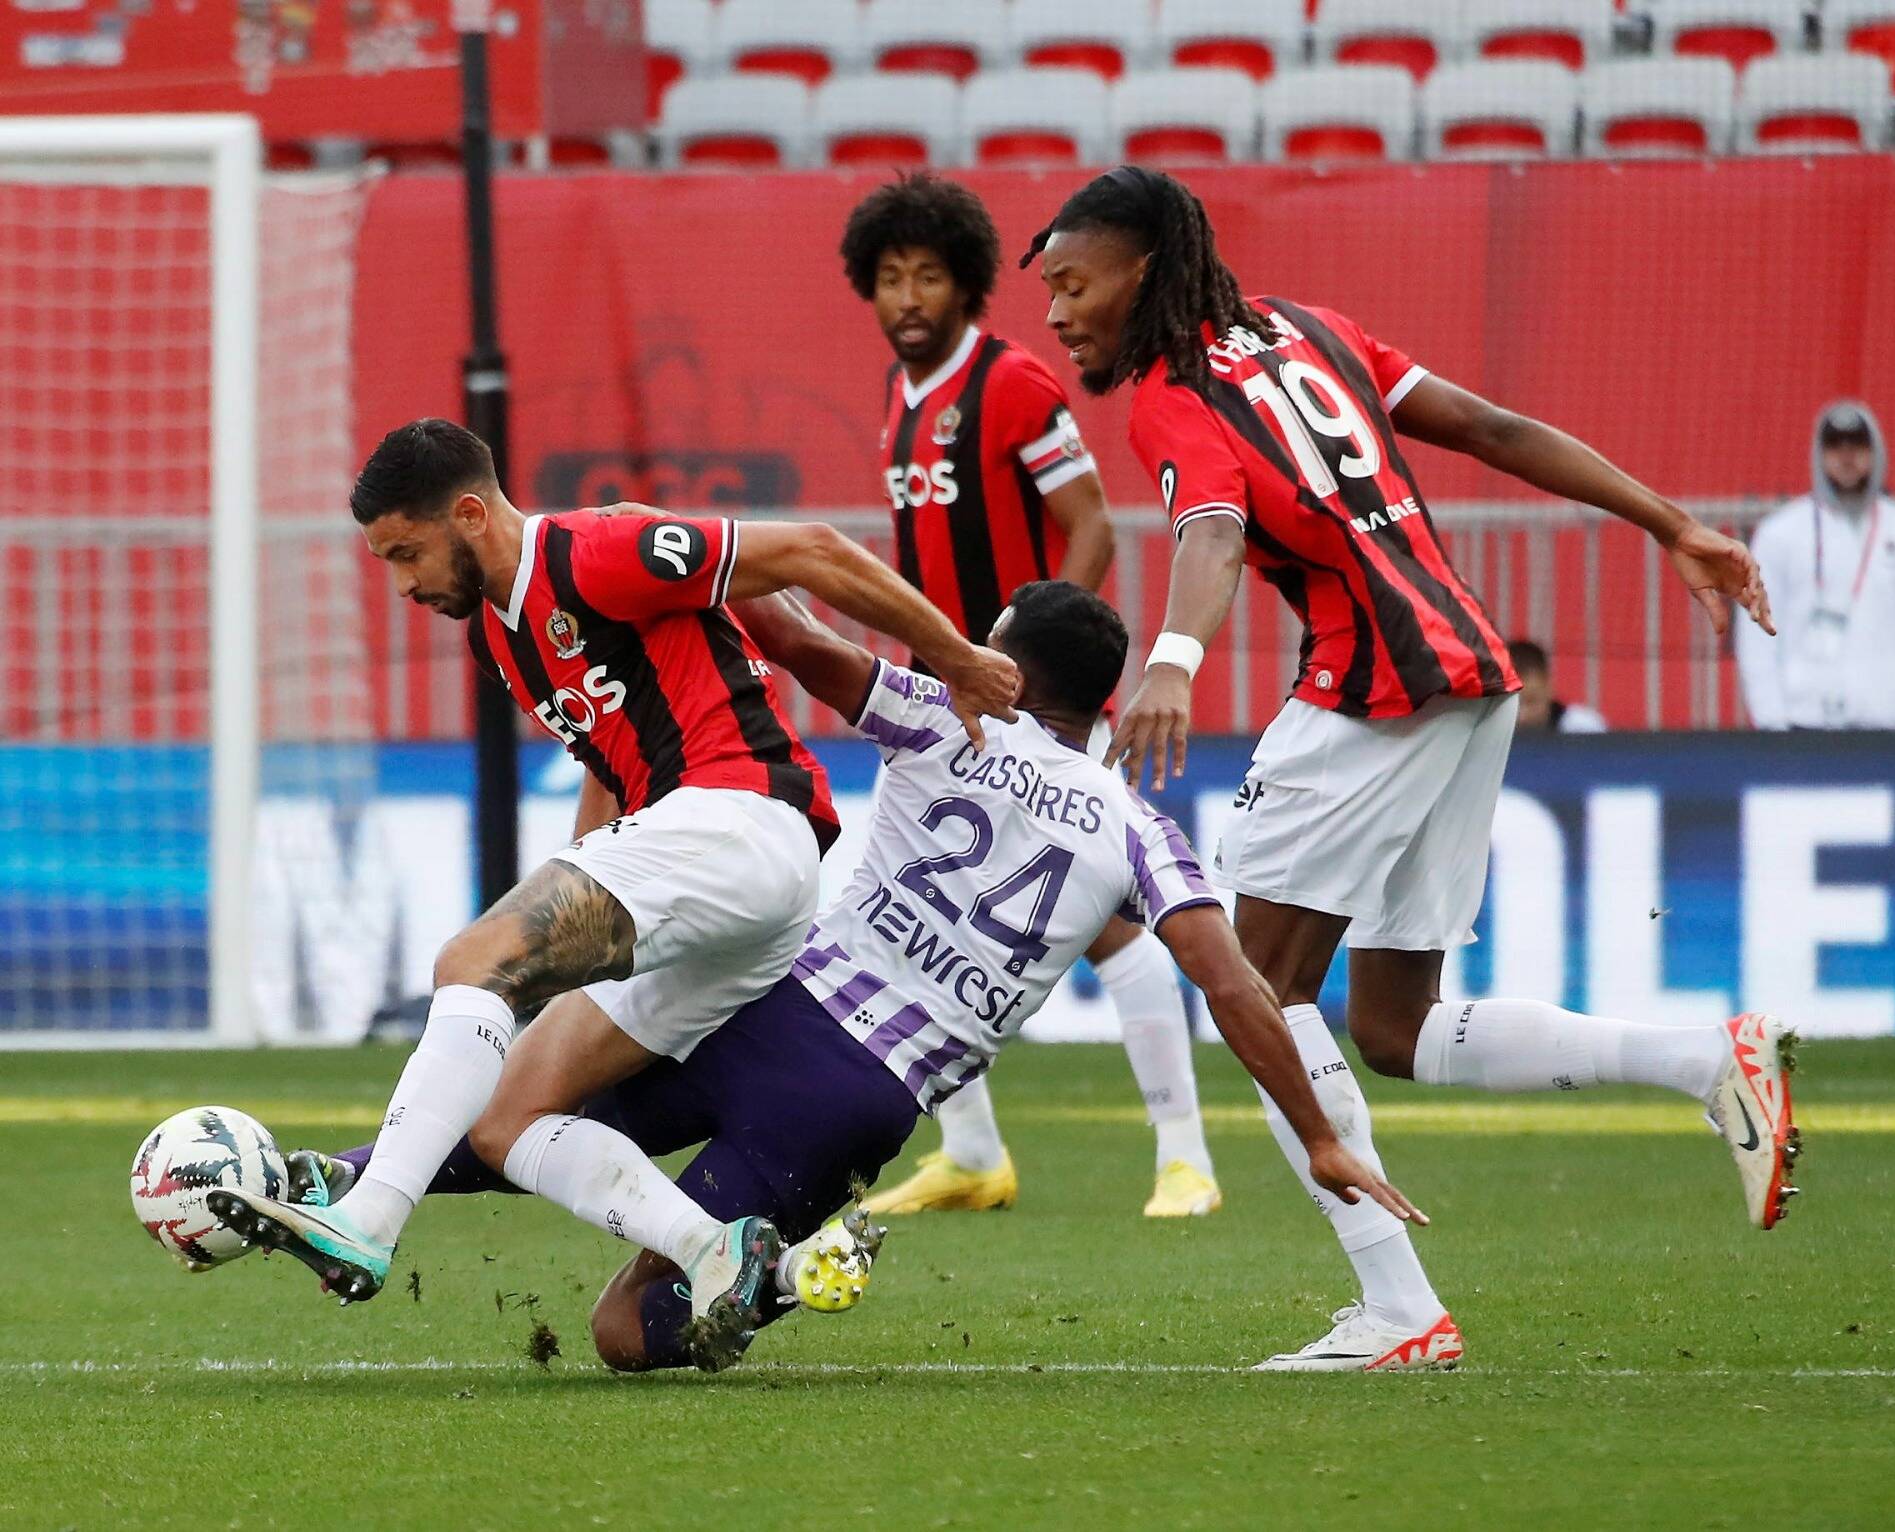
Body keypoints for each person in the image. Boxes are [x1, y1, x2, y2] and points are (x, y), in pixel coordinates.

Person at [1025, 165, 1796, 1374]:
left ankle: (1398, 1309)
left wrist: (1171, 658)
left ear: (1142, 271)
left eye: (1073, 282)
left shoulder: (1172, 397)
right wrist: (1665, 519)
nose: (1058, 310)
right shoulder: (1308, 328)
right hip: (1471, 674)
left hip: (1368, 694)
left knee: (1257, 991)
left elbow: (1212, 534)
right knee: (1393, 1021)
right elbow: (1494, 429)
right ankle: (1707, 1062)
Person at [290, 582, 1422, 1374]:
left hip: (765, 1008)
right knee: (628, 1323)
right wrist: (1319, 1135)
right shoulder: (1140, 832)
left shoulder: (944, 718)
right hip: (860, 1101)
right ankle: (339, 1187)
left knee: (517, 1121)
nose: (951, 650)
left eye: (973, 639)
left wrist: (680, 560)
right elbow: (1233, 988)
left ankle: (317, 1184)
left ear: (1006, 665)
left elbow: (788, 633)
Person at [212, 419, 1021, 1367]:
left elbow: (813, 549)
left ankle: (371, 1219)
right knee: (506, 1116)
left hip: (743, 817)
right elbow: (608, 767)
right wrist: (560, 935)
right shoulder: (501, 643)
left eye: (407, 552)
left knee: (467, 961)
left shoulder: (592, 552)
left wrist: (957, 656)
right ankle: (717, 1251)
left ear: (469, 514)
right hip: (716, 879)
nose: (402, 584)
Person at [838, 172, 1220, 1219]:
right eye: (887, 278)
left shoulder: (1012, 384)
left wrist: (1023, 673)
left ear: (967, 286)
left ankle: (1184, 1156)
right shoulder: (898, 394)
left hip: (1016, 700)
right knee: (916, 910)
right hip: (942, 705)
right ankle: (970, 1153)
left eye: (928, 276)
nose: (907, 297)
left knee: (1101, 917)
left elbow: (1091, 522)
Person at [1735, 401, 1895, 730]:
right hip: (1805, 722)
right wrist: (1770, 718)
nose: (1846, 456)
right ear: (1819, 455)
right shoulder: (1779, 534)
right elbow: (1758, 633)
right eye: (1835, 446)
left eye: (1857, 445)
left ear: (1875, 453)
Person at [1507, 638, 1607, 733]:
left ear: (1548, 688)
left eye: (1531, 701)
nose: (1522, 716)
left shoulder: (1585, 728)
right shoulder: (1491, 733)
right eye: (1512, 706)